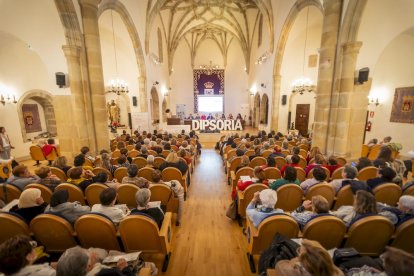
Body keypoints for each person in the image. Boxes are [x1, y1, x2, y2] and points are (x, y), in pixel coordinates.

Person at [275, 239, 344, 276]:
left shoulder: (295, 271)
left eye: (299, 251)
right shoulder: (337, 272)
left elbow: (279, 264)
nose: (298, 252)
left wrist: (296, 260)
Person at [56, 246, 136, 276]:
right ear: (89, 266)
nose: (92, 253)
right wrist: (124, 269)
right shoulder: (110, 273)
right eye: (89, 253)